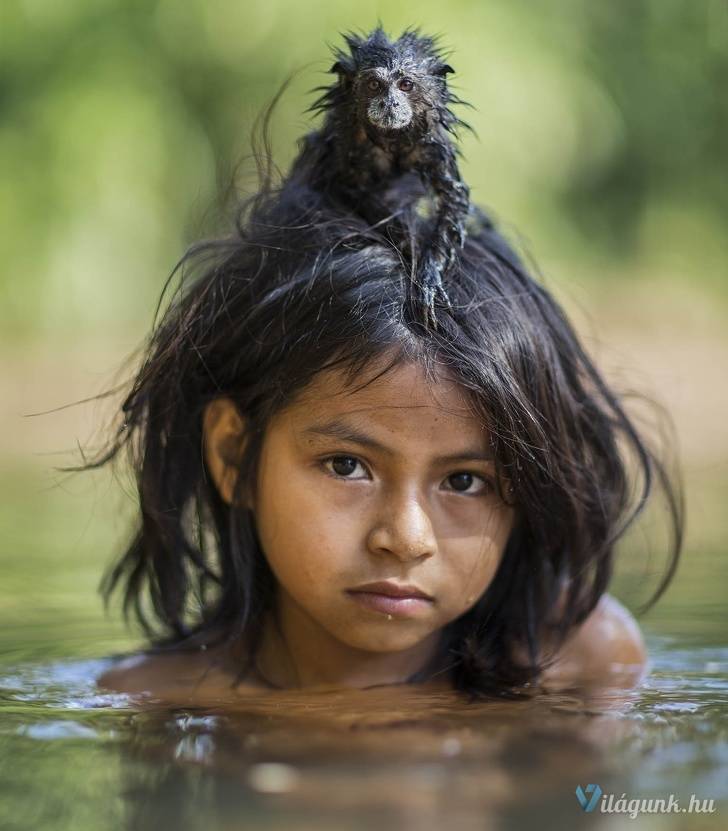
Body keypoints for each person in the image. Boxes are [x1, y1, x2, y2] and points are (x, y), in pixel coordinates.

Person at [92, 100, 682, 704]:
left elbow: (592, 802)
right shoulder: (159, 700)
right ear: (235, 455)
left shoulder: (578, 667)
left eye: (465, 481)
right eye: (347, 465)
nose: (405, 538)